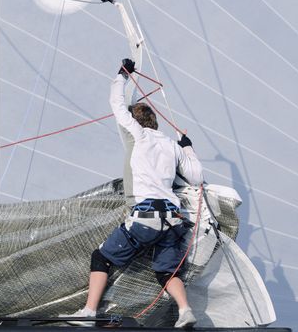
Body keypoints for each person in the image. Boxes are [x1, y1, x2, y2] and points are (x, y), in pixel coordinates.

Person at [63, 59, 203, 328]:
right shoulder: (173, 146)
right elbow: (196, 177)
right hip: (174, 221)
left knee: (101, 257)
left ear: (137, 121)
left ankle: (89, 313)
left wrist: (122, 76)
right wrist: (187, 147)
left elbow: (116, 105)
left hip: (146, 218)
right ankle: (185, 311)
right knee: (165, 271)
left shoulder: (138, 135)